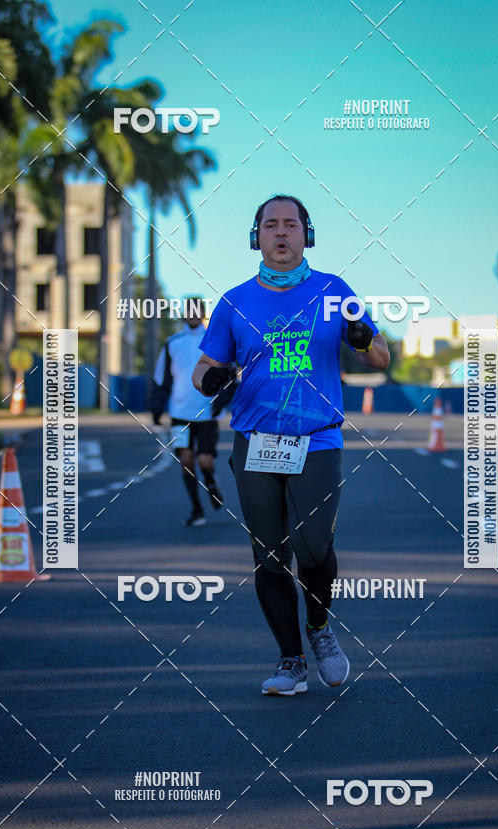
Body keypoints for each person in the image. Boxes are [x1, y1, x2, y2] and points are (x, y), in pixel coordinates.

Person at [192, 195, 390, 694]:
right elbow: (202, 369)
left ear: (308, 234)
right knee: (270, 555)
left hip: (317, 439)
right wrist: (211, 379)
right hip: (255, 442)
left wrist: (364, 338)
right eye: (270, 225)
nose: (281, 233)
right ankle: (290, 663)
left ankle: (320, 629)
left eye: (291, 225)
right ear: (255, 236)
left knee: (312, 544)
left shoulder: (333, 291)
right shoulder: (235, 301)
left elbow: (379, 358)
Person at [150, 299, 234, 526]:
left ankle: (211, 482)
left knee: (205, 461)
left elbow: (229, 377)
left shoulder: (215, 341)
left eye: (198, 312)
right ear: (183, 315)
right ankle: (197, 510)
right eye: (189, 312)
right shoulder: (172, 343)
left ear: (203, 314)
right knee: (186, 460)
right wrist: (157, 407)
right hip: (179, 414)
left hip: (207, 416)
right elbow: (161, 379)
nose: (193, 316)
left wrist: (221, 401)